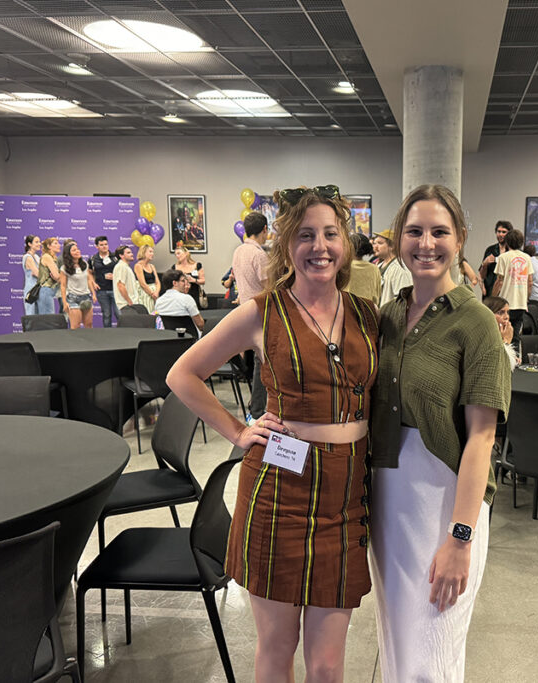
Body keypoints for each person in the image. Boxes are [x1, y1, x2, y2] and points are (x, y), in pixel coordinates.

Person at [167, 185, 378, 682]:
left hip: (345, 504)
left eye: (330, 234)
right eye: (305, 236)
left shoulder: (368, 315)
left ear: (345, 244)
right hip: (277, 495)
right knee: (277, 650)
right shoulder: (262, 312)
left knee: (326, 666)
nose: (319, 246)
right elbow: (182, 375)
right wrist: (239, 432)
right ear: (286, 246)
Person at [371, 184, 510, 682]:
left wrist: (460, 539)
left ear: (461, 239)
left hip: (444, 501)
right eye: (414, 231)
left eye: (439, 232)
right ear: (398, 237)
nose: (425, 243)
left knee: (434, 650)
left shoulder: (476, 323)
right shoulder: (387, 316)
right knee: (397, 644)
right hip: (388, 500)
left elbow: (482, 438)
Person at [232, 211, 271, 424]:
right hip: (261, 314)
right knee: (262, 362)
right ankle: (257, 410)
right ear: (264, 230)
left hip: (246, 312)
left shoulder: (238, 251)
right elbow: (269, 287)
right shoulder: (259, 255)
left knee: (259, 360)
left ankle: (256, 407)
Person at [492, 228, 533, 337]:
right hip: (520, 303)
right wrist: (526, 298)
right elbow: (530, 282)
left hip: (506, 304)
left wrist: (492, 299)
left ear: (507, 242)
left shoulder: (503, 258)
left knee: (502, 335)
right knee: (515, 336)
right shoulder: (527, 258)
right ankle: (515, 354)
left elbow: (499, 282)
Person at [155, 269, 204, 334]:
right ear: (174, 283)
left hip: (169, 338)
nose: (186, 283)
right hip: (190, 337)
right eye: (183, 281)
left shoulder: (159, 301)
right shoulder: (187, 299)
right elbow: (200, 324)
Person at [59, 239, 95, 329]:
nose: (77, 251)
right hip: (73, 298)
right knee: (75, 326)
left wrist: (93, 293)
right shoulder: (64, 268)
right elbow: (63, 286)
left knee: (89, 325)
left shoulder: (85, 264)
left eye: (77, 249)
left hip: (86, 297)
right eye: (74, 250)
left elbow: (88, 280)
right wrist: (64, 302)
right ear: (68, 254)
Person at [375, 228, 413, 306]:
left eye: (380, 243)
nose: (375, 247)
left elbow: (402, 301)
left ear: (392, 246)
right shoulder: (378, 266)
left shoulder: (400, 268)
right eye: (375, 243)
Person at [344, 232, 382, 303]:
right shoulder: (374, 268)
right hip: (369, 309)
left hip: (348, 308)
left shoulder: (344, 267)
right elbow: (378, 293)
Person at [89, 236, 118, 326]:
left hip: (116, 289)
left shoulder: (115, 257)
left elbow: (122, 270)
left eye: (106, 244)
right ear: (97, 246)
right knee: (106, 314)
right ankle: (108, 336)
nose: (104, 246)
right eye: (101, 245)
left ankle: (122, 334)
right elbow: (89, 273)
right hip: (102, 291)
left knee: (119, 314)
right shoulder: (93, 259)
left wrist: (116, 276)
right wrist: (93, 283)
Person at [483, 295, 518, 370]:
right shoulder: (483, 337)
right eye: (501, 313)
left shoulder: (502, 333)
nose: (506, 317)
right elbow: (500, 366)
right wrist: (506, 341)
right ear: (488, 314)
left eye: (507, 312)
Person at [479, 220, 511, 298]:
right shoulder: (490, 250)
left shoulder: (513, 252)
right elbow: (482, 275)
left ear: (509, 234)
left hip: (507, 293)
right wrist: (484, 264)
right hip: (490, 291)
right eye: (498, 231)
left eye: (504, 232)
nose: (500, 234)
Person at [34, 237, 62, 315]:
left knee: (48, 317)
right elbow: (56, 276)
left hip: (49, 291)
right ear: (49, 246)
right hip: (46, 290)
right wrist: (62, 279)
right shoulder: (47, 257)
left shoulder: (53, 258)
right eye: (56, 243)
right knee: (47, 318)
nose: (59, 245)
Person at [133, 245, 159, 311]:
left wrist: (157, 292)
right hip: (145, 294)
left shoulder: (152, 266)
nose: (152, 254)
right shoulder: (138, 266)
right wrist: (152, 294)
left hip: (155, 294)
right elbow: (143, 284)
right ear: (143, 253)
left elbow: (157, 282)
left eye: (152, 252)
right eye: (150, 252)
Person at [112, 245, 137, 311]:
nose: (132, 254)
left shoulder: (126, 267)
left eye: (131, 252)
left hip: (130, 304)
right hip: (126, 304)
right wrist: (129, 301)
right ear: (121, 255)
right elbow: (120, 286)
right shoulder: (121, 266)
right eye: (128, 253)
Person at [22, 234, 42, 316]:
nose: (39, 244)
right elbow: (36, 273)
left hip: (38, 289)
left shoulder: (37, 257)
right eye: (36, 242)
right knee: (32, 315)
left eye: (39, 242)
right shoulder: (28, 257)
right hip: (31, 290)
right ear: (29, 244)